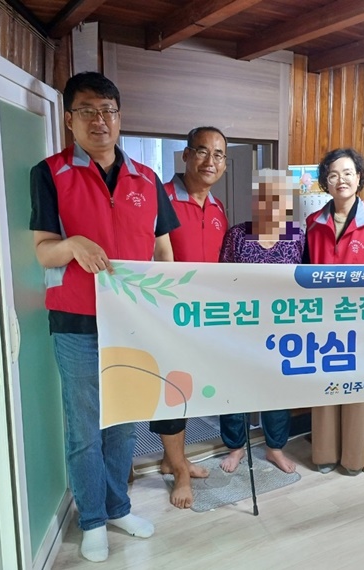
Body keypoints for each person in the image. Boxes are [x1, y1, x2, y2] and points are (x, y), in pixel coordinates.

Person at [29, 71, 180, 562]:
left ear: (119, 117)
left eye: (108, 111)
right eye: (88, 111)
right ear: (69, 119)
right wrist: (72, 244)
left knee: (122, 423)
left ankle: (118, 507)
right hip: (75, 322)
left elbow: (163, 251)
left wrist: (165, 308)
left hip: (131, 323)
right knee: (83, 429)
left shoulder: (147, 179)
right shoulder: (50, 173)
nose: (100, 121)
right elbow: (43, 251)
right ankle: (91, 519)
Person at [148, 126, 229, 509]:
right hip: (166, 317)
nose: (210, 161)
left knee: (189, 391)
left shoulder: (217, 208)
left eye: (219, 154)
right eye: (202, 151)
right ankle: (180, 470)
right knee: (171, 393)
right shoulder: (159, 197)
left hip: (203, 319)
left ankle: (171, 459)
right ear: (185, 155)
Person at [302, 148, 364, 475]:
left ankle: (353, 459)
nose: (341, 180)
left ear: (359, 178)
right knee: (324, 382)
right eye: (334, 174)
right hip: (322, 318)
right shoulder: (313, 223)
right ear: (325, 181)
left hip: (362, 320)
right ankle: (324, 454)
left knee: (357, 386)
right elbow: (305, 272)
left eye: (348, 173)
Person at [218, 170, 304, 474]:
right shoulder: (237, 235)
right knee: (235, 385)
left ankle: (274, 447)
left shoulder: (297, 236)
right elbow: (222, 278)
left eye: (279, 198)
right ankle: (236, 447)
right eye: (265, 197)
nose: (272, 204)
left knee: (276, 387)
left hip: (282, 327)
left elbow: (304, 281)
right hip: (240, 325)